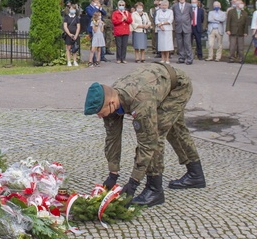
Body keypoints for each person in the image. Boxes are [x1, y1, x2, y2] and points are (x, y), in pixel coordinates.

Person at [83, 62, 205, 207]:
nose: (99, 116)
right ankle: (196, 174)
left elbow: (148, 143)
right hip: (157, 85)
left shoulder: (139, 101)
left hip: (177, 87)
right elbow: (112, 138)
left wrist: (133, 183)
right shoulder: (111, 100)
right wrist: (113, 173)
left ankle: (155, 189)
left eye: (99, 112)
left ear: (111, 102)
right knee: (175, 130)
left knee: (157, 132)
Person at [171, 0, 193, 64]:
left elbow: (191, 15)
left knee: (187, 43)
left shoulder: (189, 6)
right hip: (178, 27)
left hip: (187, 27)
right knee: (179, 44)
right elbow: (173, 15)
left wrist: (188, 23)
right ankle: (181, 58)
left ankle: (189, 59)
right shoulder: (174, 6)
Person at [155, 0, 174, 64]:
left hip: (168, 29)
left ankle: (167, 58)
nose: (164, 6)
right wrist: (160, 26)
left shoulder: (170, 11)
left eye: (165, 5)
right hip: (160, 29)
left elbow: (170, 20)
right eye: (163, 5)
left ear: (168, 5)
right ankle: (162, 58)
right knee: (161, 44)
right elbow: (156, 20)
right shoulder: (158, 11)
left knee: (167, 45)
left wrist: (162, 23)